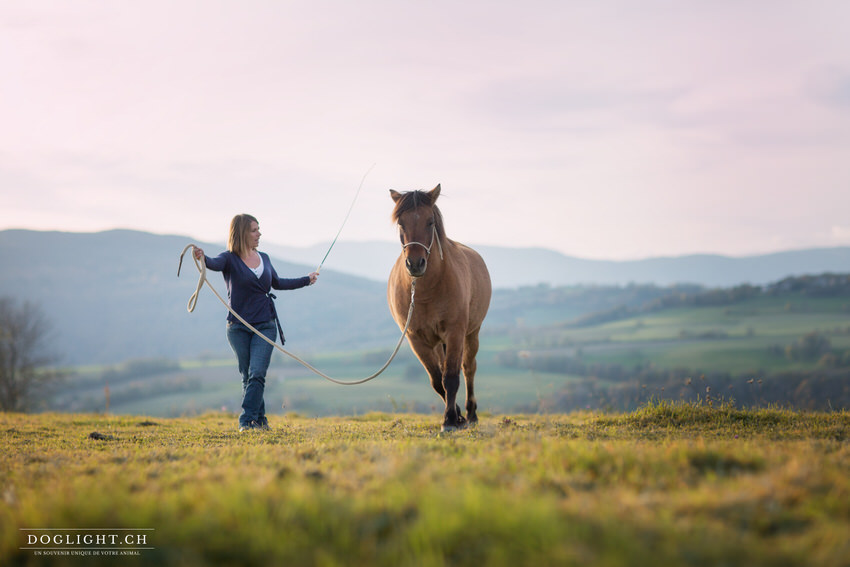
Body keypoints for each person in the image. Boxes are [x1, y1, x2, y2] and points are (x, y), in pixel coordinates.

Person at [193, 214, 318, 431]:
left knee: (257, 373)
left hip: (265, 325)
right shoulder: (229, 258)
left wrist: (306, 280)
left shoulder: (265, 258)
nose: (259, 234)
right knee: (248, 376)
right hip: (238, 328)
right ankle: (260, 421)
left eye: (258, 229)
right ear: (242, 233)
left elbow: (278, 283)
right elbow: (212, 263)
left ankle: (246, 421)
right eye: (254, 230)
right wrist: (201, 257)